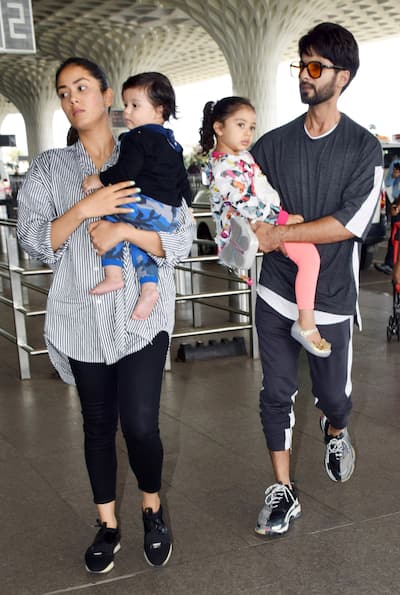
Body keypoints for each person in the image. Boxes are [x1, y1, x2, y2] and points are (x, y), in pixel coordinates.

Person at [16, 57, 196, 573]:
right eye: (63, 92)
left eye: (82, 87)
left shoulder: (148, 142)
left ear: (106, 93)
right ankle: (108, 524)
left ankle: (152, 507)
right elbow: (34, 242)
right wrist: (82, 211)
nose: (73, 99)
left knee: (140, 424)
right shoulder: (51, 167)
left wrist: (125, 232)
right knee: (97, 425)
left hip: (142, 314)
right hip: (82, 315)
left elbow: (180, 237)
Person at [250, 22, 383, 536]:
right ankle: (282, 491)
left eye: (315, 67)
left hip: (329, 297)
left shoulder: (363, 149)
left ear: (342, 76)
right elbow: (246, 199)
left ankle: (336, 428)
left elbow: (349, 225)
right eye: (300, 64)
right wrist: (244, 236)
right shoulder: (273, 145)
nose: (303, 76)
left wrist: (282, 235)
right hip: (277, 289)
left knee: (335, 397)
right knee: (275, 392)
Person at [199, 96, 331, 357]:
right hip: (252, 226)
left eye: (251, 126)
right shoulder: (225, 165)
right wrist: (281, 218)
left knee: (309, 258)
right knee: (310, 258)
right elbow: (244, 200)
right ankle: (306, 323)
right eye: (240, 124)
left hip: (258, 224)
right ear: (219, 127)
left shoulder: (240, 156)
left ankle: (305, 320)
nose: (247, 133)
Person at [82, 72, 192, 320]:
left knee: (108, 212)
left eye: (134, 105)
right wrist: (189, 207)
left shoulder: (136, 138)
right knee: (140, 243)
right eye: (126, 105)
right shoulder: (172, 143)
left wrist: (98, 178)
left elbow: (125, 173)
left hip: (145, 206)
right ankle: (149, 289)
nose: (127, 112)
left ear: (159, 109)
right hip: (170, 215)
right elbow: (182, 181)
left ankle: (113, 276)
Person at [374, 159, 400, 275]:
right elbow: (387, 183)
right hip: (396, 202)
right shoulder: (395, 163)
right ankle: (390, 264)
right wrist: (394, 175)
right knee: (395, 238)